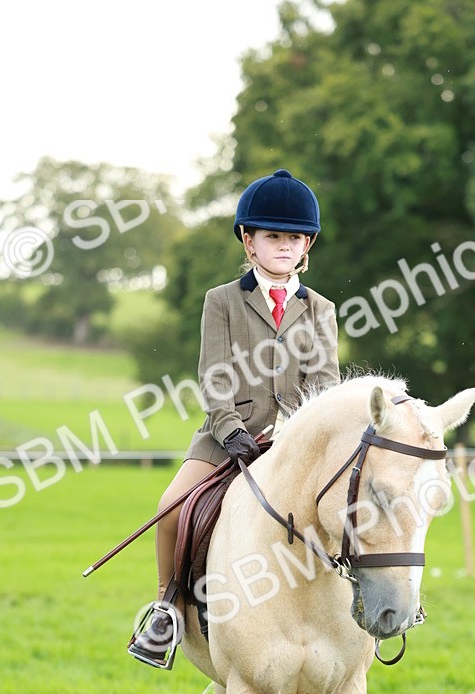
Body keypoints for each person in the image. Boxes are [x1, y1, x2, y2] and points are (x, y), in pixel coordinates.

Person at [128, 168, 340, 668]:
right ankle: (168, 608)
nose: (284, 247)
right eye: (273, 237)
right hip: (227, 437)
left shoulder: (321, 309)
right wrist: (233, 432)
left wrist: (295, 432)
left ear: (307, 244)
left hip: (296, 441)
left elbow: (325, 385)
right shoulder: (221, 301)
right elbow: (214, 378)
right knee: (171, 508)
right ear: (249, 240)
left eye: (294, 238)